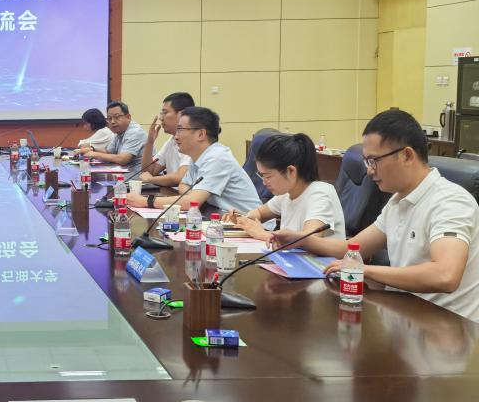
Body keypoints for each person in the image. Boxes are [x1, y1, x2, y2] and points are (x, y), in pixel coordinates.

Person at [271, 110, 479, 322]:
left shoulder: (450, 202)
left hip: (449, 328)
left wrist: (365, 270)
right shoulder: (397, 202)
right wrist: (301, 240)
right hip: (406, 317)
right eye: (366, 163)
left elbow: (445, 275)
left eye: (373, 161)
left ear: (407, 155)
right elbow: (351, 248)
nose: (369, 171)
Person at [127, 106, 260, 212]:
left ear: (201, 134)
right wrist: (194, 196)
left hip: (252, 224)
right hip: (221, 216)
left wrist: (146, 201)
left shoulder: (217, 158)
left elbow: (192, 202)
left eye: (180, 130)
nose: (176, 137)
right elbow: (183, 185)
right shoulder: (197, 156)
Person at [224, 133, 346, 242]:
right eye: (262, 176)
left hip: (317, 261)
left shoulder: (320, 193)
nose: (264, 183)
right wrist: (243, 219)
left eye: (268, 176)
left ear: (291, 171)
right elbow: (260, 213)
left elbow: (310, 239)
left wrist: (263, 234)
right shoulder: (287, 193)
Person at [74, 100, 147, 175]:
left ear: (128, 117)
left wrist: (94, 154)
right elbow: (108, 152)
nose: (112, 122)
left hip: (138, 175)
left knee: (91, 177)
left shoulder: (135, 132)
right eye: (109, 118)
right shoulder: (119, 131)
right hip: (126, 172)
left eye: (117, 117)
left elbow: (123, 159)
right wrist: (92, 149)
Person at [138, 92, 194, 188]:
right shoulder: (171, 140)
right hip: (174, 193)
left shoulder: (192, 140)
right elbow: (149, 171)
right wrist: (150, 142)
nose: (160, 118)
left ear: (181, 114)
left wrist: (150, 179)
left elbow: (181, 177)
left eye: (165, 112)